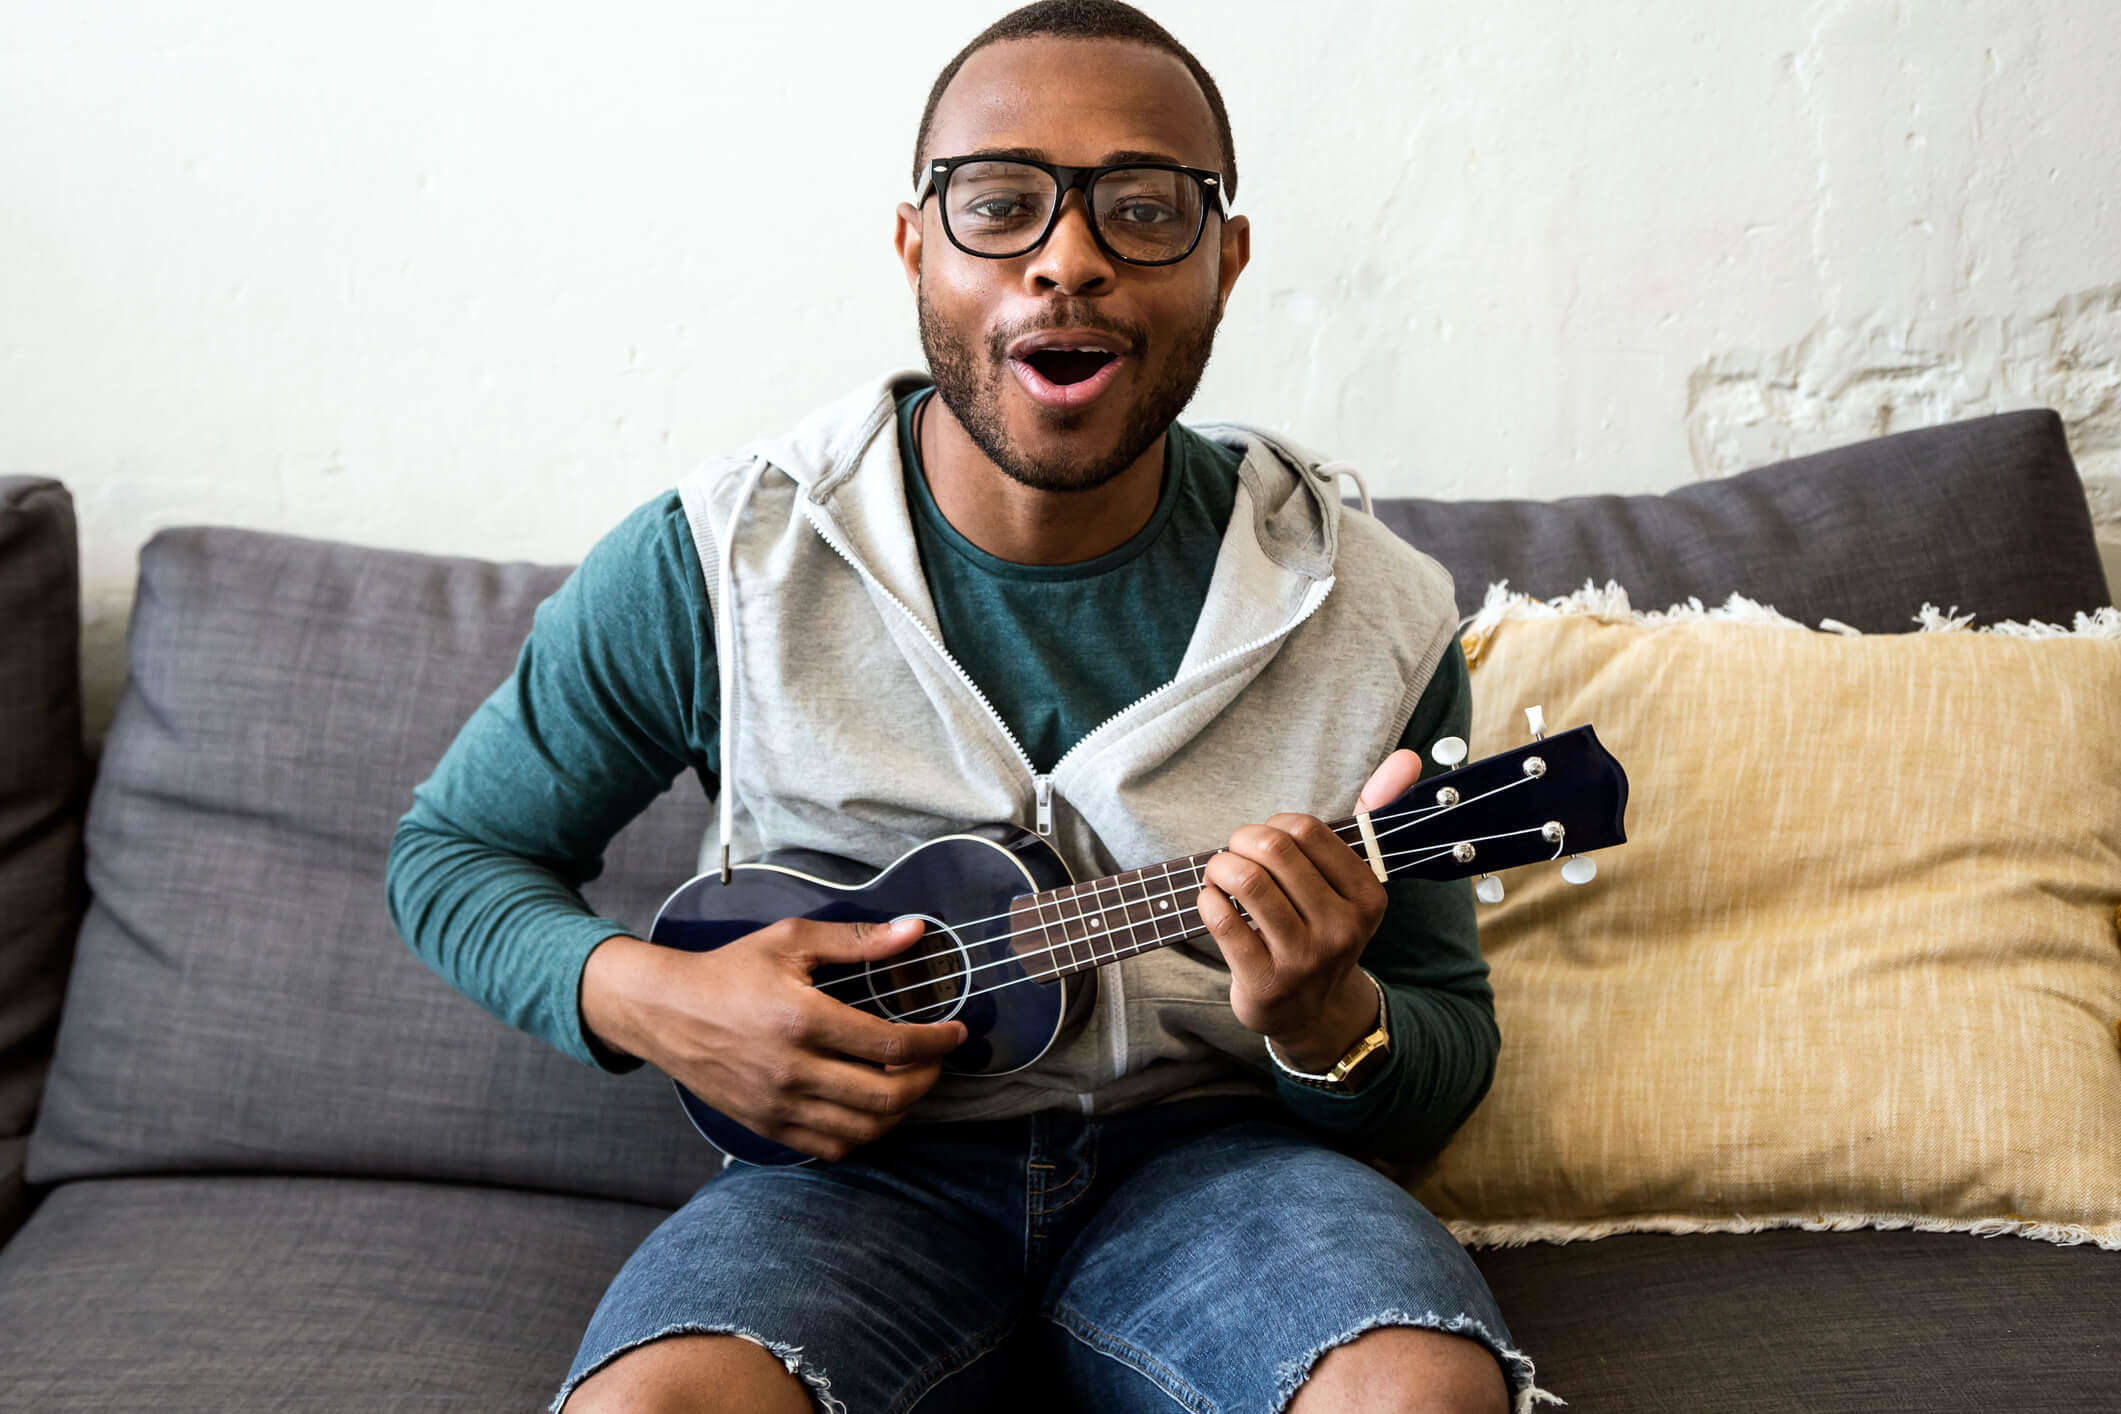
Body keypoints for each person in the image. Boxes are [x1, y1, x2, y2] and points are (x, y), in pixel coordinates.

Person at [385, 4, 1551, 1411]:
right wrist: (655, 999)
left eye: (1144, 210)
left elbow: (1443, 1045)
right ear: (912, 246)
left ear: (1227, 259)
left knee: (1417, 1394)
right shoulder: (719, 561)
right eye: (999, 205)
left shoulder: (1368, 604)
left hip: (1222, 1170)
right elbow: (451, 855)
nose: (1068, 258)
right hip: (843, 1186)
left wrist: (1325, 1018)